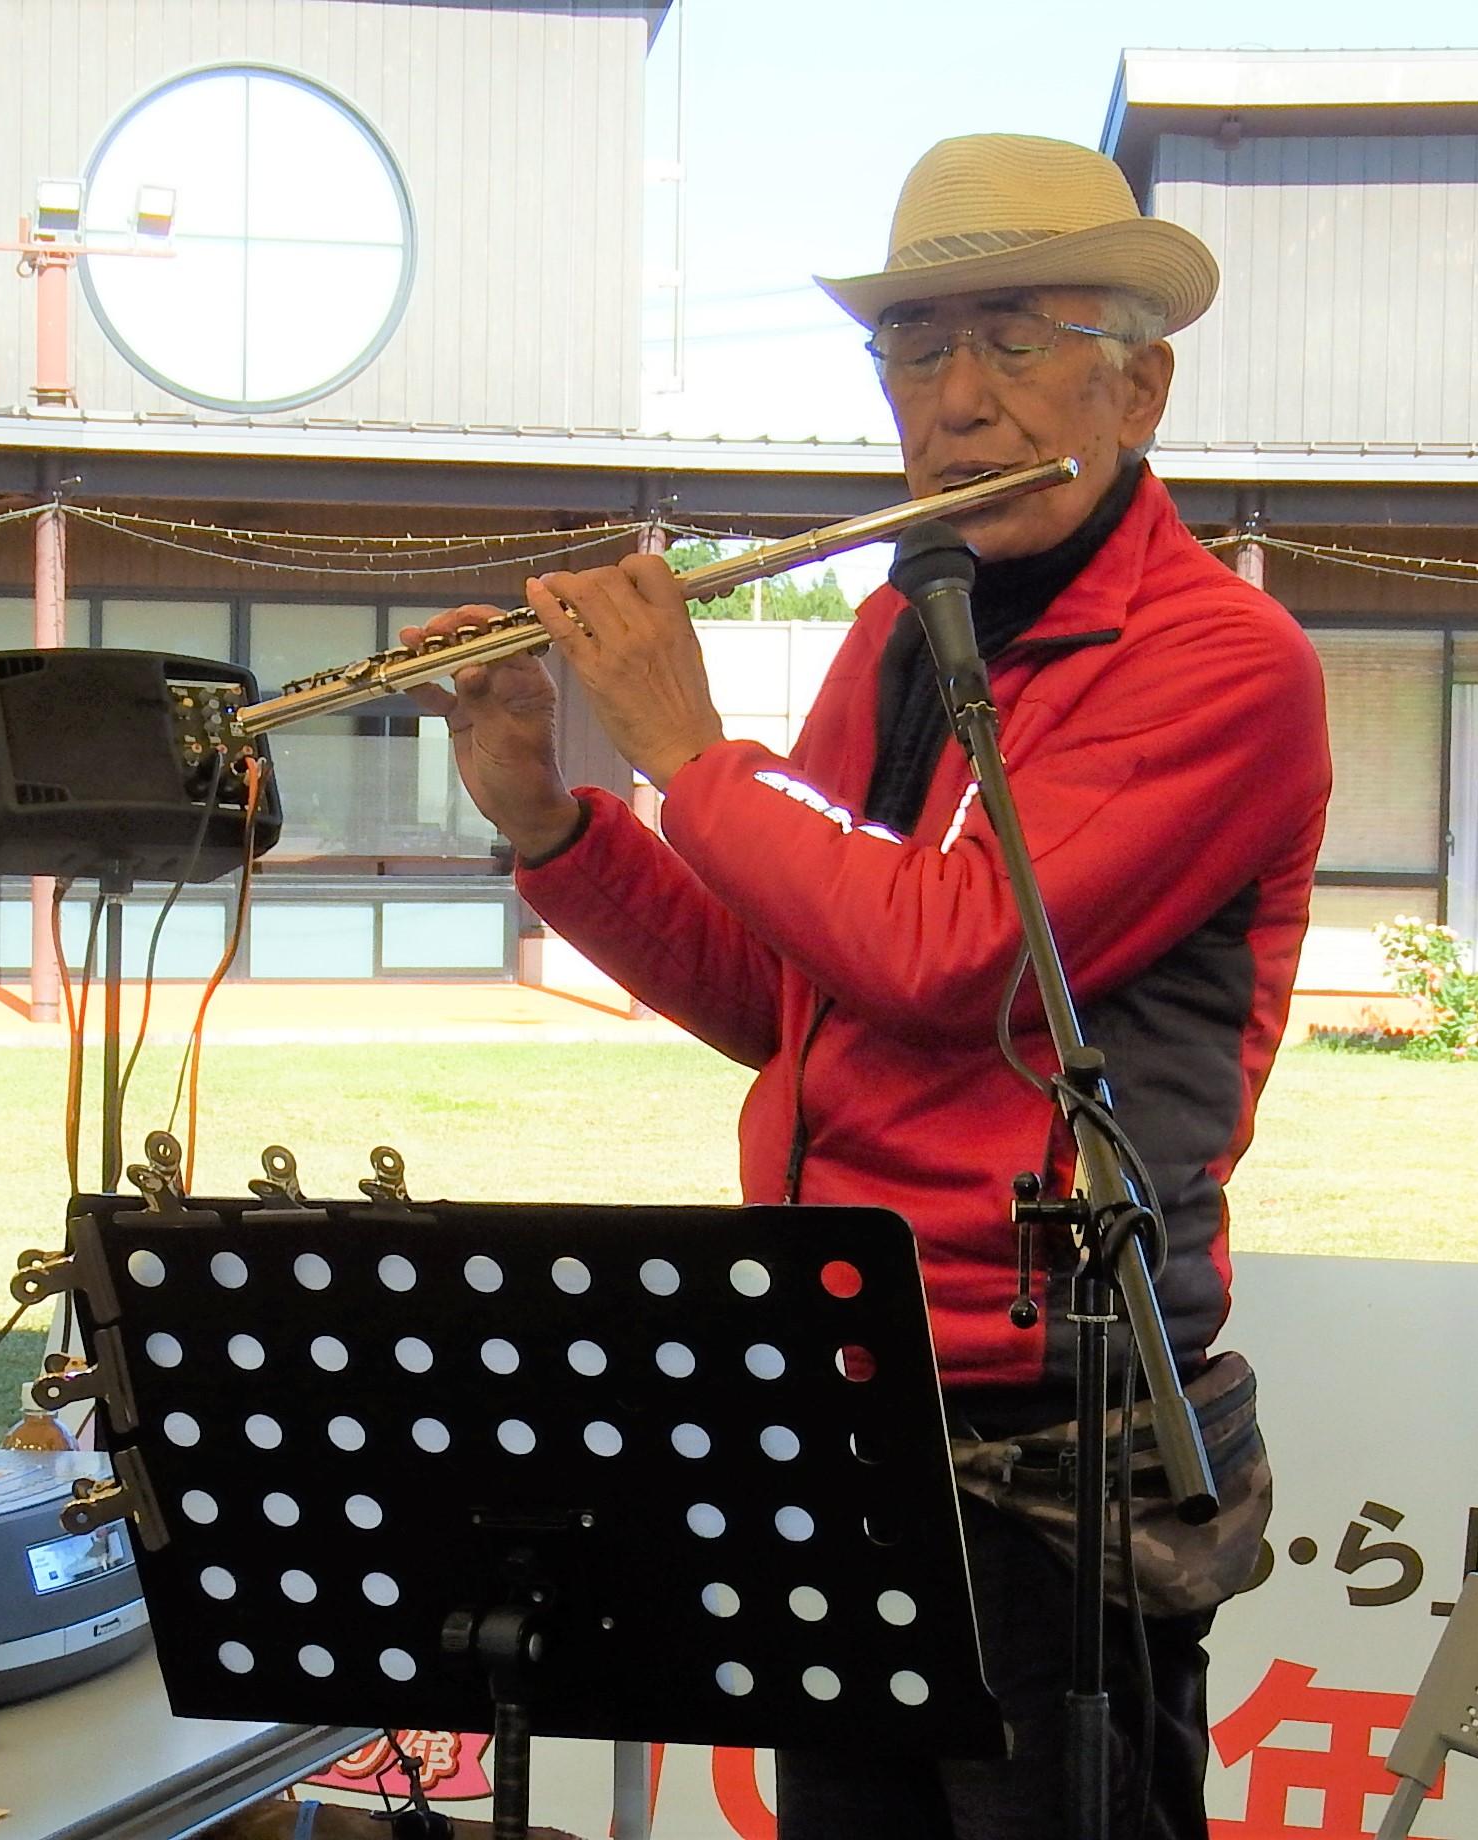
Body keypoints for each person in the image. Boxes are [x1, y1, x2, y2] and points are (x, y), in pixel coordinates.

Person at [403, 133, 1330, 1838]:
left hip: (1058, 1422)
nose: (958, 398)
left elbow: (952, 950)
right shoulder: (900, 637)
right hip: (843, 1383)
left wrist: (687, 748)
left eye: (1014, 337)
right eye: (917, 345)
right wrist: (551, 818)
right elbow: (787, 993)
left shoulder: (1222, 664)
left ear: (1144, 386)